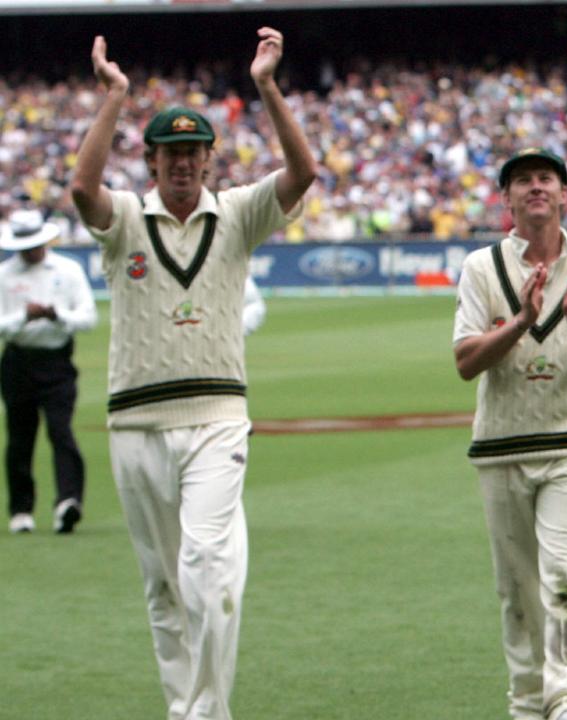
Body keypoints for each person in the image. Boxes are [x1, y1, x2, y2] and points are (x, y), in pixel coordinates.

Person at [69, 29, 316, 720]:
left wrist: (266, 85)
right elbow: (82, 190)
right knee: (163, 585)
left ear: (210, 158)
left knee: (208, 570)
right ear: (151, 162)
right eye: (170, 153)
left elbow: (303, 174)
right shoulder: (124, 219)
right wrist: (115, 97)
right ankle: (187, 708)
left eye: (193, 152)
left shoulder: (236, 213)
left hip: (216, 419)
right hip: (136, 422)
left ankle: (208, 711)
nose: (183, 164)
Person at [453, 147, 567, 720]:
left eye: (546, 179)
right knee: (518, 593)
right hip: (501, 446)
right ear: (505, 198)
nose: (535, 188)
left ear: (564, 194)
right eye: (523, 180)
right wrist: (523, 322)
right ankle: (529, 704)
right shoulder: (482, 268)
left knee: (565, 578)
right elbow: (465, 361)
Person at [0, 209, 97, 534]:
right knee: (20, 436)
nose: (31, 251)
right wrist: (22, 318)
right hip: (18, 361)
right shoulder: (4, 274)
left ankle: (68, 502)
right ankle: (21, 510)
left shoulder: (68, 269)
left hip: (57, 362)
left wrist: (58, 315)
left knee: (61, 431)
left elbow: (88, 317)